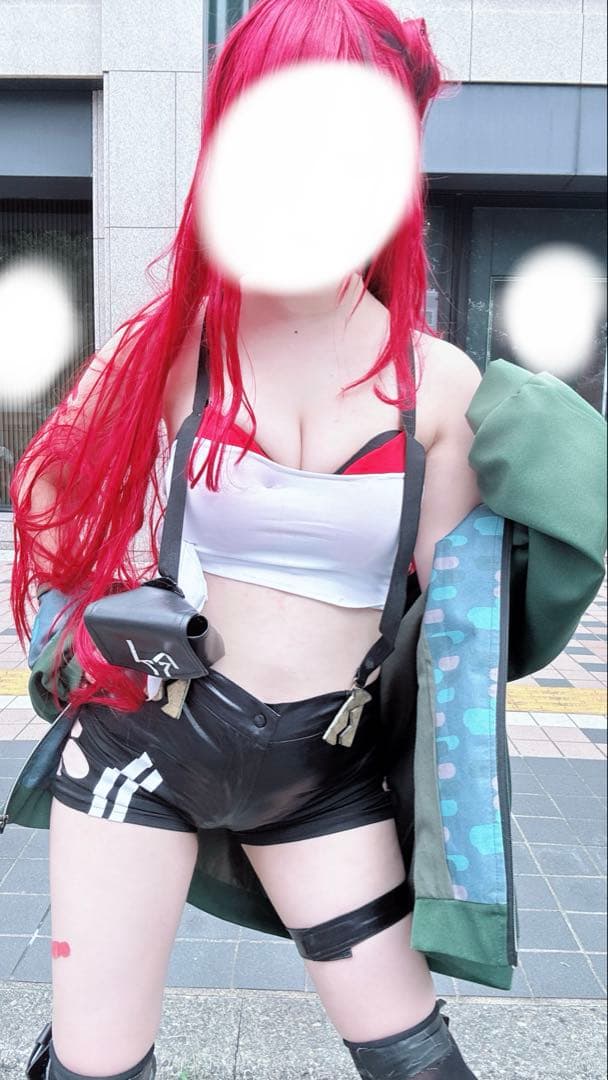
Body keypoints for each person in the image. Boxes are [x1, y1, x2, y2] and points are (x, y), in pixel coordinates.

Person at [10, 3, 484, 1077]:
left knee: (418, 1062)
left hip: (320, 774)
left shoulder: (441, 386)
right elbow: (47, 490)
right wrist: (98, 612)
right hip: (144, 750)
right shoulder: (174, 348)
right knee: (95, 1067)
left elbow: (457, 632)